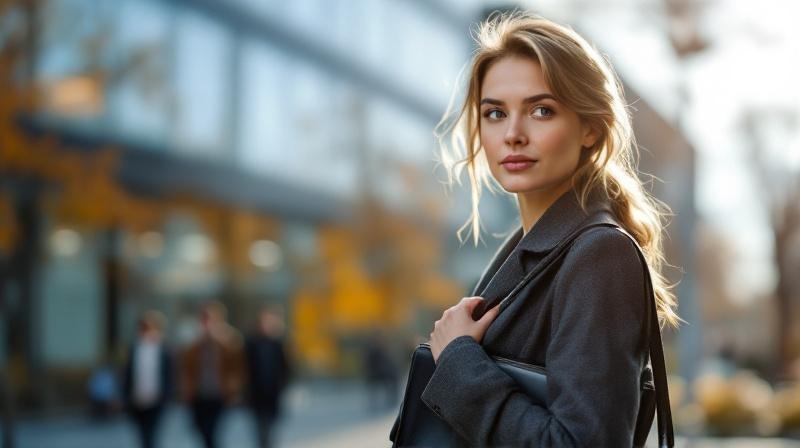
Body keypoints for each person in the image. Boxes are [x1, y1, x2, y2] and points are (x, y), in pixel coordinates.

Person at [421, 11, 682, 447]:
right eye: (495, 113)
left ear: (590, 129)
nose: (513, 134)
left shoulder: (600, 255)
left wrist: (458, 360)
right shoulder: (534, 249)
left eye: (541, 110)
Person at [180, 300, 244, 448]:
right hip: (199, 395)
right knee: (201, 431)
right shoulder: (194, 341)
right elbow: (185, 367)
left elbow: (237, 367)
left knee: (213, 432)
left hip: (219, 395)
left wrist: (234, 390)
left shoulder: (229, 340)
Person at [122, 310, 174, 448]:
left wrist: (166, 396)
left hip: (156, 401)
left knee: (150, 437)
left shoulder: (165, 350)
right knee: (142, 436)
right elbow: (127, 374)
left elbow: (170, 376)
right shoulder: (134, 348)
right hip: (136, 401)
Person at [244, 306, 291, 448]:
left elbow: (286, 368)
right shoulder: (251, 344)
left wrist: (283, 386)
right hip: (256, 395)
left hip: (273, 395)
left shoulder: (278, 344)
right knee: (261, 431)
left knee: (271, 431)